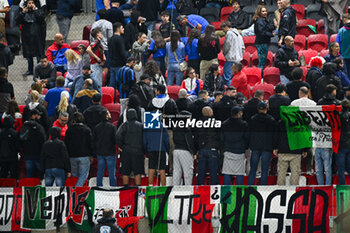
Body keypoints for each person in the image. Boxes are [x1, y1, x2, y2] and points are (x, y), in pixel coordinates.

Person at [315, 84, 340, 186]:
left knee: (319, 168)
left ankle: (321, 186)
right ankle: (328, 186)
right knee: (327, 166)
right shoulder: (337, 103)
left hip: (319, 139)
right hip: (330, 138)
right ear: (332, 91)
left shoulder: (320, 102)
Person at [247, 101, 277, 185]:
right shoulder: (271, 119)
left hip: (255, 146)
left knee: (253, 169)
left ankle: (250, 186)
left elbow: (249, 132)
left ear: (258, 109)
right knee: (265, 169)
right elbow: (274, 135)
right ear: (266, 108)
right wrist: (274, 146)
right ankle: (263, 187)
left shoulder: (253, 119)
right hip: (267, 147)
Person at [116, 109, 144, 186]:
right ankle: (138, 189)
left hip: (126, 151)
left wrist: (121, 146)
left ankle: (126, 189)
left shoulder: (124, 125)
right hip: (138, 152)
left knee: (125, 171)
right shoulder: (141, 125)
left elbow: (117, 136)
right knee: (138, 172)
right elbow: (145, 138)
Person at [17, 0, 45, 77]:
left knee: (39, 54)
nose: (31, 4)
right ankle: (30, 70)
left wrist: (35, 10)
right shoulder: (23, 13)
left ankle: (40, 70)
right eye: (29, 3)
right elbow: (17, 20)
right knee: (29, 54)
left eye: (32, 3)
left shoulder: (39, 11)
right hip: (27, 37)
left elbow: (41, 18)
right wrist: (22, 13)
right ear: (26, 4)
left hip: (38, 37)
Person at [221, 106, 248, 185]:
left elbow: (222, 137)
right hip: (240, 150)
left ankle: (226, 190)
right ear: (238, 114)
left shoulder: (225, 123)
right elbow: (246, 137)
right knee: (240, 172)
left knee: (227, 171)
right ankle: (238, 191)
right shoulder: (244, 124)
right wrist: (245, 147)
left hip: (228, 149)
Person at [65, 112, 93, 186]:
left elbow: (66, 143)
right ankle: (77, 189)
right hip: (84, 156)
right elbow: (90, 143)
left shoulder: (69, 130)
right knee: (83, 175)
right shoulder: (87, 129)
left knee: (75, 176)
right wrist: (91, 154)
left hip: (72, 156)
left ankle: (74, 191)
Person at [275, 120, 307, 185]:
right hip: (296, 150)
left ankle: (280, 190)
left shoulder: (281, 122)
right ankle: (293, 191)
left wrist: (275, 147)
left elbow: (276, 136)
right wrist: (305, 149)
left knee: (281, 172)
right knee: (295, 172)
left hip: (283, 150)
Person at [195, 106, 221, 185]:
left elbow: (196, 137)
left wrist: (197, 149)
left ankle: (199, 190)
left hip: (202, 150)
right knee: (213, 172)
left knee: (201, 172)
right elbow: (219, 136)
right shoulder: (215, 122)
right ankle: (214, 191)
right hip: (213, 149)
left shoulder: (198, 123)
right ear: (210, 113)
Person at [143, 114, 170, 186]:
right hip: (161, 149)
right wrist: (168, 150)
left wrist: (145, 149)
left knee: (151, 169)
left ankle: (150, 186)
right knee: (162, 170)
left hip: (151, 149)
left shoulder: (148, 126)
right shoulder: (163, 126)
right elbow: (166, 139)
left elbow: (145, 140)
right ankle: (163, 187)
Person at [93, 110, 117, 186]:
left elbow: (94, 140)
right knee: (111, 173)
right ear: (106, 116)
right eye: (108, 113)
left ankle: (99, 186)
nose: (110, 114)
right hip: (110, 152)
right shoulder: (112, 127)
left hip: (100, 152)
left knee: (100, 172)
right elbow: (115, 139)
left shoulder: (96, 127)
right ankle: (113, 188)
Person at [20, 109, 46, 178]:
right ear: (33, 116)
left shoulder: (24, 126)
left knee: (29, 174)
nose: (39, 117)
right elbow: (43, 139)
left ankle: (30, 187)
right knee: (42, 173)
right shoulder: (39, 127)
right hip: (38, 154)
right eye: (38, 115)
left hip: (27, 154)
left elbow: (21, 140)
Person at [172, 110, 196, 185]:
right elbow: (189, 141)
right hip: (185, 151)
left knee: (176, 172)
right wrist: (193, 152)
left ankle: (175, 189)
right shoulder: (186, 128)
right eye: (190, 118)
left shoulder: (175, 127)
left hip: (176, 151)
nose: (191, 119)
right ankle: (188, 189)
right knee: (188, 172)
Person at [221, 21, 245, 85]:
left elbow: (227, 45)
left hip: (230, 59)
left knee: (227, 78)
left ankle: (231, 93)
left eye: (223, 29)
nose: (223, 31)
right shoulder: (239, 35)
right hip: (238, 60)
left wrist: (224, 53)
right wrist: (240, 56)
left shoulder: (229, 33)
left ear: (226, 27)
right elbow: (243, 47)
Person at [253, 5, 275, 70]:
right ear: (259, 12)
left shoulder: (263, 20)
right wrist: (271, 34)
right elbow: (261, 32)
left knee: (262, 62)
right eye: (263, 11)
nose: (265, 12)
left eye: (265, 11)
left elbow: (268, 28)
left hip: (262, 42)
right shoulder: (260, 21)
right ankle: (259, 76)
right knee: (261, 62)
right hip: (261, 43)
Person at [337, 99, 350, 185]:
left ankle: (342, 187)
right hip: (349, 144)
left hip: (341, 144)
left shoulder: (338, 116)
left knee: (341, 169)